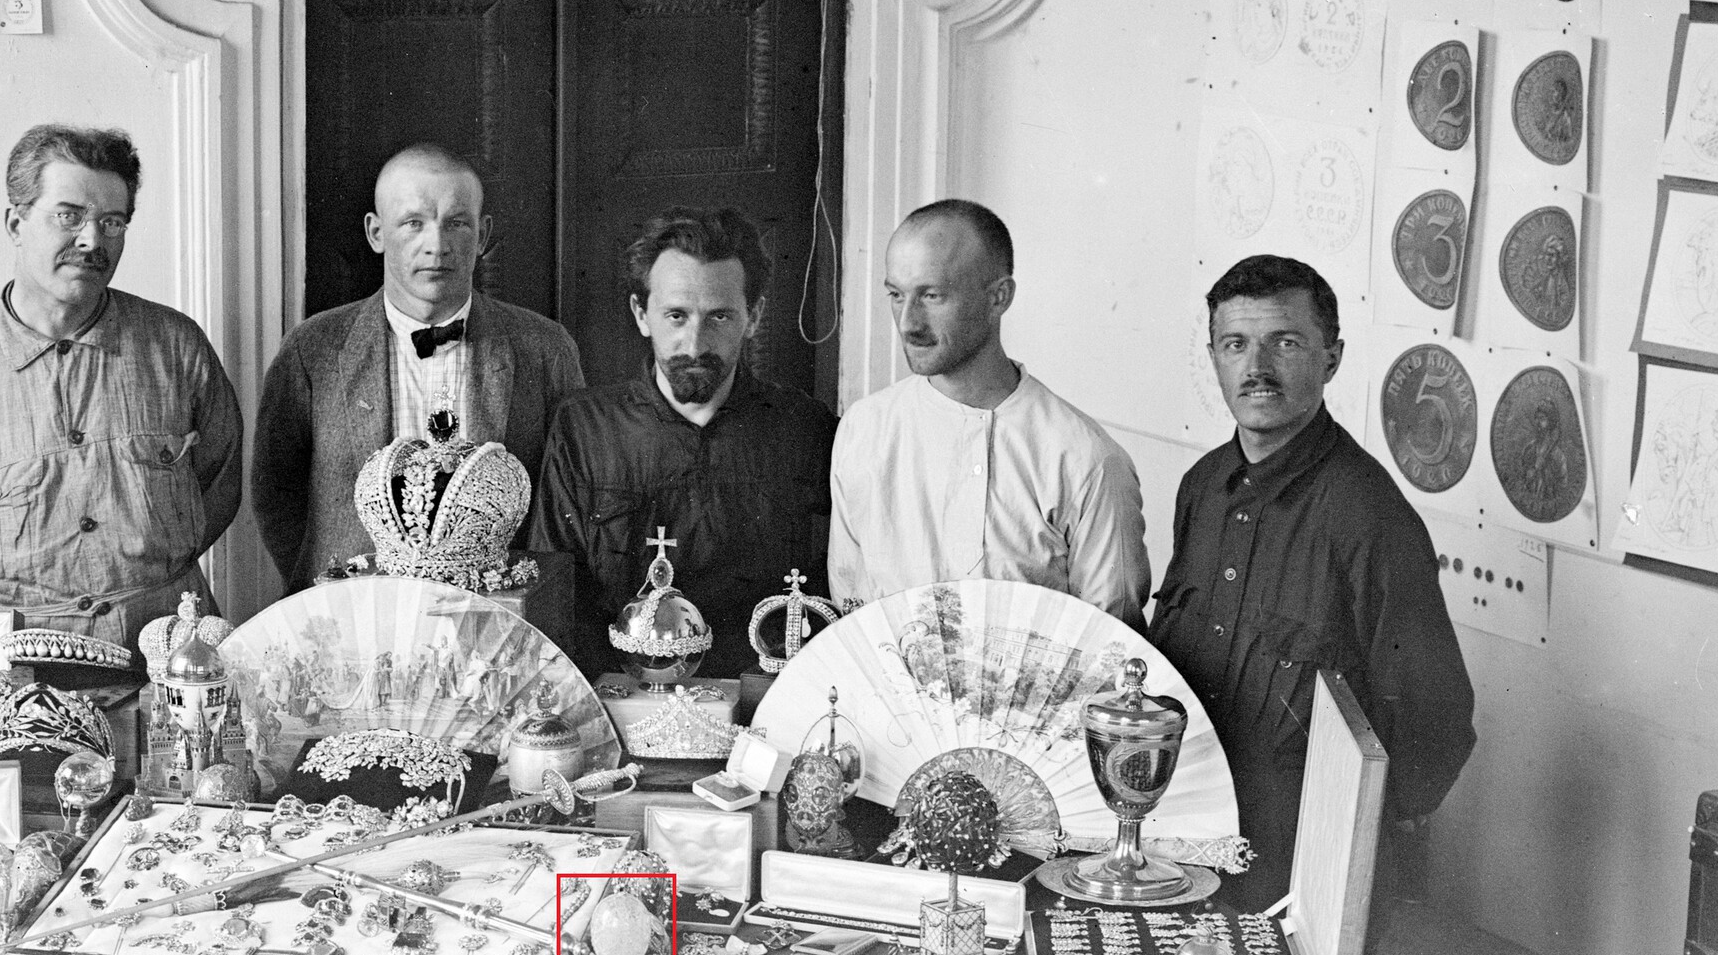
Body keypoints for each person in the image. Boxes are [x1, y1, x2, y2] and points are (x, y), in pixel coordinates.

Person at [1148, 253, 1477, 918]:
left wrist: (1353, 850)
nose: (1256, 368)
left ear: (1332, 359)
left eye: (1285, 342)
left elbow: (1438, 720)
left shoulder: (1370, 516)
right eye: (1235, 344)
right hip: (1182, 850)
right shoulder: (1203, 488)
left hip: (1298, 872)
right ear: (1213, 355)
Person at [0, 123, 244, 646]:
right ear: (16, 223)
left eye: (112, 222)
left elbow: (220, 487)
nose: (91, 240)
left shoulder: (177, 346)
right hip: (17, 670)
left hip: (169, 658)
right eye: (69, 216)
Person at [251, 142, 582, 591]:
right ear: (376, 232)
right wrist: (332, 590)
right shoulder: (313, 350)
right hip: (353, 620)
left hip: (494, 620)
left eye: (457, 224)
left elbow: (565, 503)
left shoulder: (545, 350)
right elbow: (275, 496)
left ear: (483, 235)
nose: (437, 245)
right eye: (413, 223)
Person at [530, 207, 833, 677]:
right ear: (641, 314)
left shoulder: (805, 430)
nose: (695, 343)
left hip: (763, 708)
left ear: (754, 317)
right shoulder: (584, 428)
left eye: (719, 316)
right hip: (616, 701)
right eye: (676, 315)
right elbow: (553, 595)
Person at [828, 198, 1149, 623]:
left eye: (932, 295)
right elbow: (851, 612)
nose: (908, 322)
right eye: (896, 295)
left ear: (999, 297)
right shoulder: (864, 430)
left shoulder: (1085, 458)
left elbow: (1110, 643)